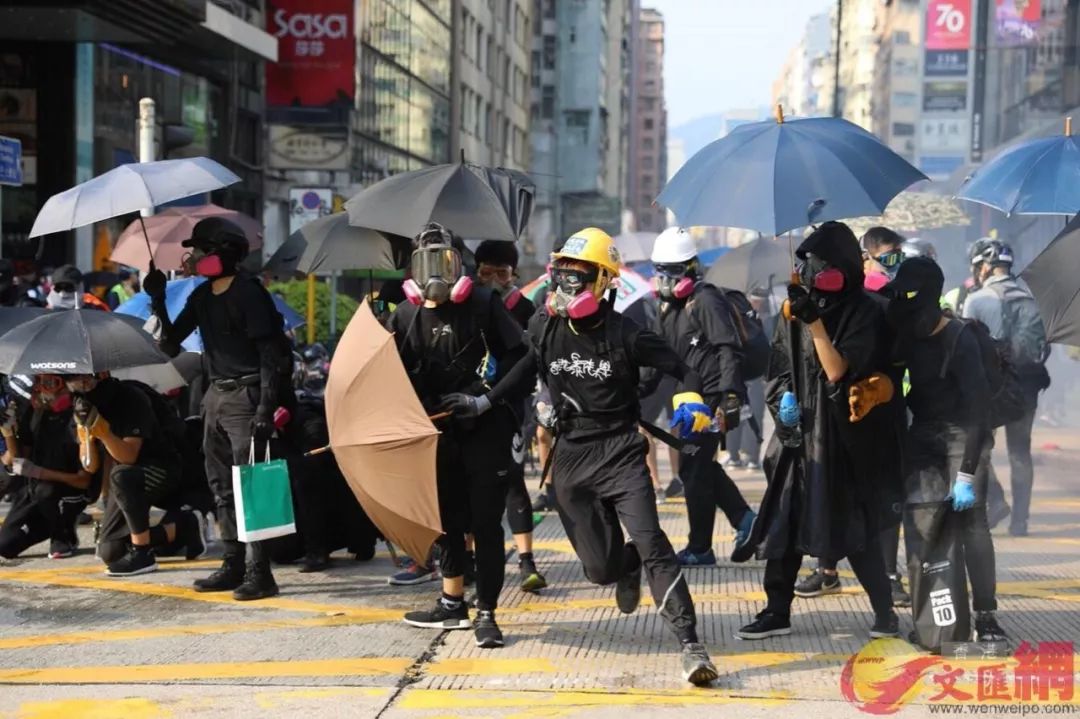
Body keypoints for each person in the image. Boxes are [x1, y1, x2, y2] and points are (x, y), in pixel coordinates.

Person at [474, 227, 720, 685]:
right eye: (560, 275)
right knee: (600, 570)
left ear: (603, 281)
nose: (565, 286)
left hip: (621, 451)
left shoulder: (627, 333)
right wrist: (487, 402)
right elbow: (528, 365)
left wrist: (691, 398)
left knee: (652, 542)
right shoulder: (543, 327)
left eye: (577, 277)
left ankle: (691, 644)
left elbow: (681, 367)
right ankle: (623, 567)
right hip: (571, 459)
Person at [736, 222, 899, 641]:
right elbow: (778, 373)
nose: (816, 277)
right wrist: (783, 407)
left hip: (845, 441)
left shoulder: (865, 312)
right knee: (784, 527)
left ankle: (885, 611)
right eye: (809, 265)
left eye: (825, 268)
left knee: (855, 531)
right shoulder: (792, 313)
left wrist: (815, 323)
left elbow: (838, 371)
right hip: (798, 440)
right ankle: (776, 610)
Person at [386, 222, 528, 648]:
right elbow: (389, 373)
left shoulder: (484, 304)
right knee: (447, 523)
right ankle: (451, 603)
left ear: (460, 266)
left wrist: (486, 399)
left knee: (485, 523)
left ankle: (486, 612)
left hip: (486, 429)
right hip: (437, 433)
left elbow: (523, 358)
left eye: (444, 263)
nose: (435, 275)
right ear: (411, 270)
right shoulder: (405, 314)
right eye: (426, 264)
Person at [145, 217, 295, 600]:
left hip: (246, 399)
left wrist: (265, 408)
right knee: (220, 482)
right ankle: (232, 562)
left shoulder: (249, 293)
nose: (192, 258)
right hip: (215, 396)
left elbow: (271, 355)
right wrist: (158, 299)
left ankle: (260, 572)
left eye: (199, 250)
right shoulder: (201, 296)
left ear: (220, 253)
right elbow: (170, 344)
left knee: (254, 486)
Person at [884, 256, 1007, 644]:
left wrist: (968, 474)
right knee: (922, 524)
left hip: (963, 436)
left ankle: (986, 616)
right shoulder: (906, 329)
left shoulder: (961, 339)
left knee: (971, 522)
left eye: (911, 297)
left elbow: (978, 412)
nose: (903, 305)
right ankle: (933, 619)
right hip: (923, 435)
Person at [648, 227, 756, 566]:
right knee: (698, 467)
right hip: (689, 398)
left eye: (674, 271)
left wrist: (729, 398)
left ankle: (701, 547)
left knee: (694, 469)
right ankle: (746, 521)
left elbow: (728, 349)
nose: (666, 279)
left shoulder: (705, 299)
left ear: (690, 269)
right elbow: (661, 359)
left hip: (712, 397)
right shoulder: (668, 308)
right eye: (660, 270)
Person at [64, 372, 202, 576]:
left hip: (161, 467)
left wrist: (103, 432)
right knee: (110, 551)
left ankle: (142, 553)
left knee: (122, 475)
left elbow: (128, 456)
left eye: (85, 379)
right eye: (73, 381)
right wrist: (86, 434)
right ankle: (184, 527)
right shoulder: (82, 403)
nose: (80, 385)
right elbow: (90, 466)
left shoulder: (130, 397)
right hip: (125, 479)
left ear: (101, 374)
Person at [471, 239, 547, 593]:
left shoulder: (526, 310)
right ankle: (472, 556)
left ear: (514, 274)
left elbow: (530, 364)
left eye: (501, 273)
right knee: (471, 486)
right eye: (486, 273)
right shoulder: (469, 306)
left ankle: (526, 558)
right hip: (473, 408)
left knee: (513, 480)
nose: (493, 280)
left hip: (512, 409)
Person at [962, 239, 1049, 537]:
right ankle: (1020, 522)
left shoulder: (977, 300)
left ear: (984, 267)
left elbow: (967, 347)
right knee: (1020, 452)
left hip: (992, 388)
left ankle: (996, 502)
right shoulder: (1031, 299)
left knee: (979, 448)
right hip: (1027, 388)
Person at [0, 377, 95, 559]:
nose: (41, 391)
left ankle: (63, 533)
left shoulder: (79, 419)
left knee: (46, 491)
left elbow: (84, 481)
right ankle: (47, 524)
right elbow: (18, 462)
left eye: (52, 383)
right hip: (36, 490)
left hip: (68, 490)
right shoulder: (34, 415)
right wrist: (8, 433)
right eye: (39, 384)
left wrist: (40, 472)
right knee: (5, 546)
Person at [725, 286, 773, 470]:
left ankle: (752, 456)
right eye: (754, 299)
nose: (756, 303)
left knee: (755, 414)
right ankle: (733, 454)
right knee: (734, 414)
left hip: (758, 376)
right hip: (740, 373)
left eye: (760, 299)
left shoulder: (770, 321)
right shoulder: (739, 319)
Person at [861, 226, 905, 292]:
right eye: (890, 258)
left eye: (900, 255)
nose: (898, 261)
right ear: (869, 256)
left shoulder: (904, 267)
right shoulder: (873, 280)